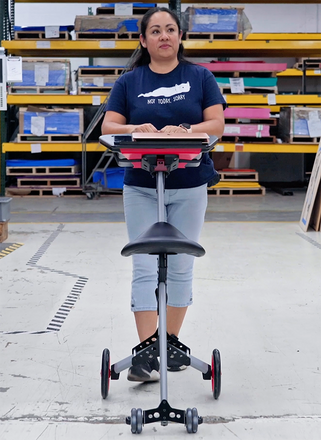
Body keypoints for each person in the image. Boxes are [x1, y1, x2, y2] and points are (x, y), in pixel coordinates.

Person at [101, 6, 226, 382]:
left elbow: (216, 122)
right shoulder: (129, 82)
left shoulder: (200, 77)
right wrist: (136, 126)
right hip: (141, 185)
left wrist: (185, 129)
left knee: (181, 264)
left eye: (170, 29)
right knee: (143, 265)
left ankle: (168, 345)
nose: (164, 36)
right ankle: (145, 355)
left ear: (180, 37)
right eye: (155, 31)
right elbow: (109, 124)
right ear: (143, 40)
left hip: (189, 184)